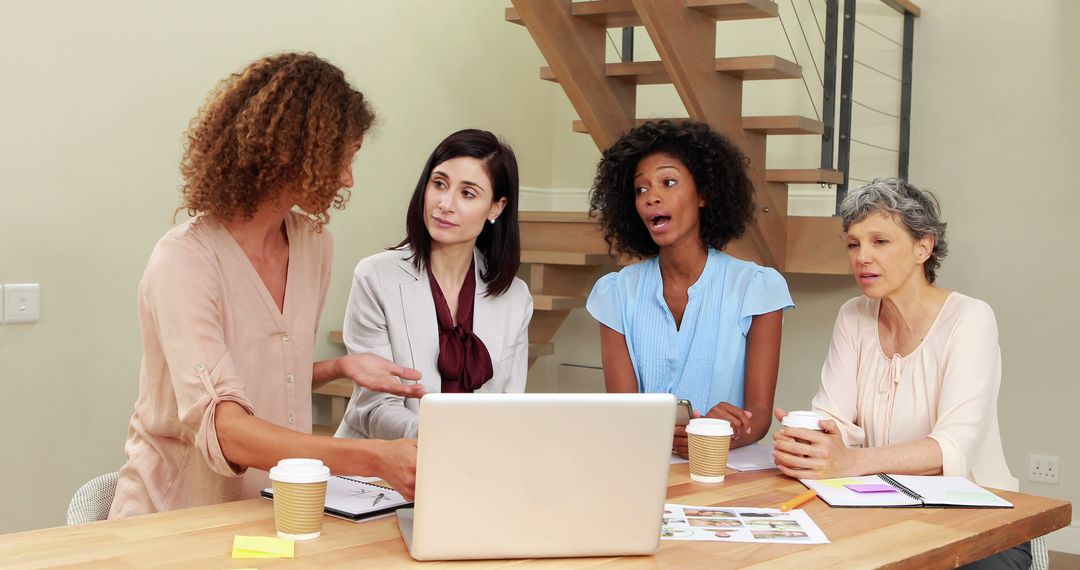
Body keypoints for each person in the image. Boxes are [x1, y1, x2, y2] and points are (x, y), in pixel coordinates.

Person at [109, 53, 424, 518]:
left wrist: (338, 365)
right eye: (341, 157)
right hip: (172, 520)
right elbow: (225, 427)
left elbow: (265, 370)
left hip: (269, 514)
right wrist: (374, 457)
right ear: (289, 149)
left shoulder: (314, 245)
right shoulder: (185, 260)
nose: (346, 178)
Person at [772, 178, 1027, 568]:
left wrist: (846, 462)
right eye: (853, 244)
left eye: (880, 241)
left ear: (923, 247)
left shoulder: (971, 319)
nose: (862, 257)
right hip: (884, 506)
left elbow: (951, 450)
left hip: (979, 521)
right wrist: (809, 440)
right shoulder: (853, 315)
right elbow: (835, 419)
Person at [585, 120, 793, 455]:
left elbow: (761, 415)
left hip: (726, 472)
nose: (652, 197)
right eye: (641, 189)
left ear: (704, 194)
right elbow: (625, 413)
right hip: (644, 465)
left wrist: (716, 435)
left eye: (668, 182)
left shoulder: (758, 289)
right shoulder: (616, 294)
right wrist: (664, 437)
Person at [335, 129, 533, 440]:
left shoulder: (516, 298)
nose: (445, 204)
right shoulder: (375, 277)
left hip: (475, 467)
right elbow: (374, 407)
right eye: (439, 184)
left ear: (496, 207)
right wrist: (442, 439)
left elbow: (509, 404)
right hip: (382, 469)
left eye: (467, 193)